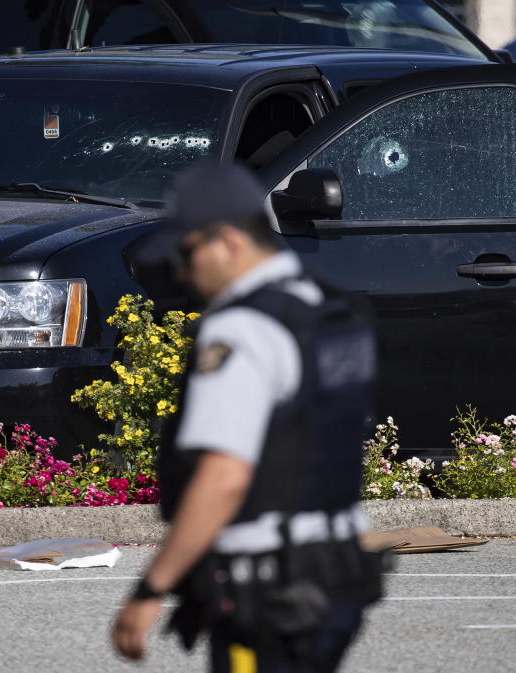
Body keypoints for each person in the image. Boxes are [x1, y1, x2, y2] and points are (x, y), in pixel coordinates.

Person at [111, 159, 383, 672]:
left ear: (230, 242)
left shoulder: (242, 330)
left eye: (187, 253)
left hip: (268, 587)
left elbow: (225, 478)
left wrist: (152, 588)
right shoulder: (326, 311)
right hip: (336, 575)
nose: (182, 272)